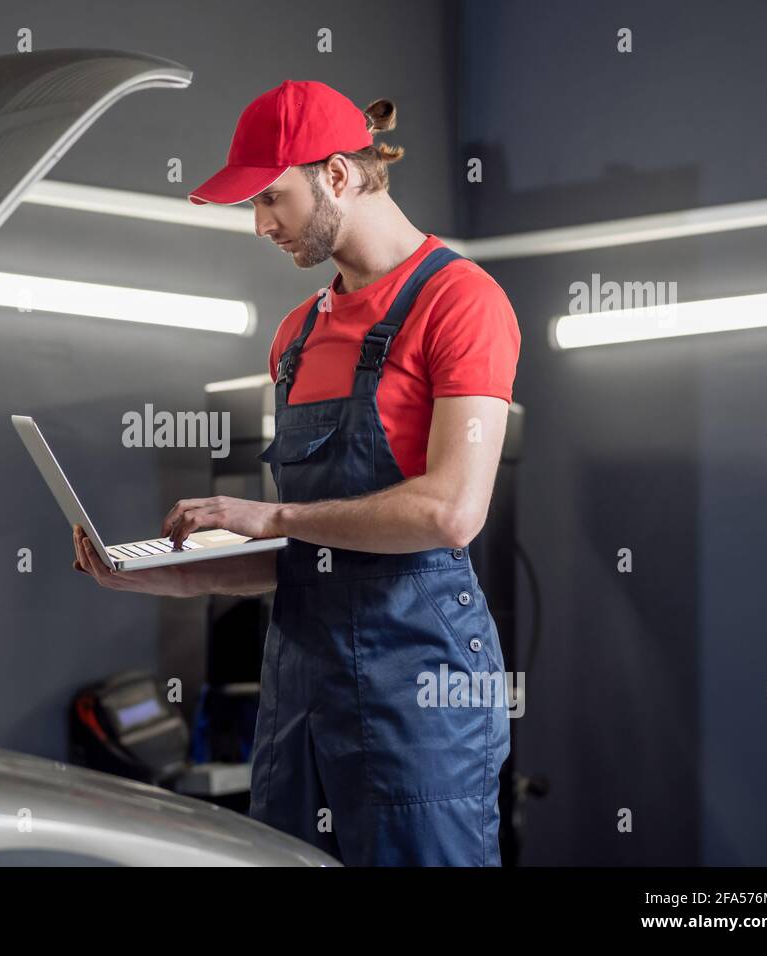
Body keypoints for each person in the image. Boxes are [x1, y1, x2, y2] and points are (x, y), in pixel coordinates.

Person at [72, 80, 520, 866]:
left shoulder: (460, 302)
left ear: (339, 175)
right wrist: (161, 575)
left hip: (420, 690)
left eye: (272, 199)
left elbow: (451, 512)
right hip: (298, 697)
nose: (260, 225)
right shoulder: (295, 337)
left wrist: (271, 518)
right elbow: (310, 554)